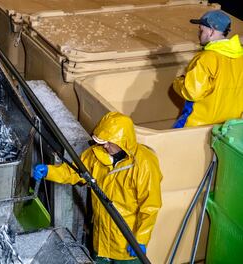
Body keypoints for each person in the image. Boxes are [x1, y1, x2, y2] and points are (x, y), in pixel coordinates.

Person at [33, 112, 162, 263]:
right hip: (101, 239)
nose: (104, 146)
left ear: (123, 141)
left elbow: (150, 206)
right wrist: (49, 171)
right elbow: (73, 172)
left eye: (108, 142)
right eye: (102, 142)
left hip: (127, 243)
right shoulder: (95, 155)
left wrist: (140, 238)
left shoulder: (144, 164)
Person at [172, 10, 243, 128]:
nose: (199, 34)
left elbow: (192, 93)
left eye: (201, 30)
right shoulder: (241, 57)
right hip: (228, 127)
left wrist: (178, 82)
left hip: (197, 126)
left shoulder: (206, 58)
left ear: (211, 31)